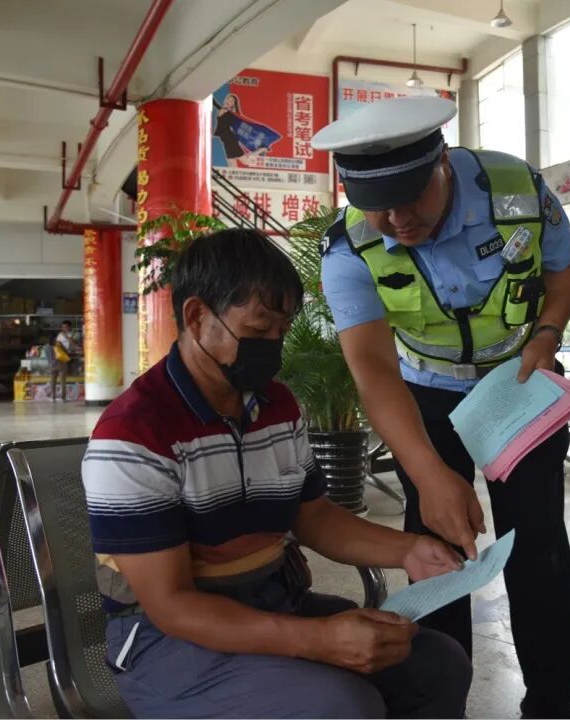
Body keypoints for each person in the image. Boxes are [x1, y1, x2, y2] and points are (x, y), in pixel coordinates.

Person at [82, 228, 472, 719]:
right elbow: (173, 605)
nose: (273, 346)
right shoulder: (134, 433)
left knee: (439, 664)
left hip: (274, 602)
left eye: (282, 331)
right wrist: (317, 639)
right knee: (340, 706)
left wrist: (409, 550)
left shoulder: (276, 405)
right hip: (166, 643)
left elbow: (313, 517)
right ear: (197, 316)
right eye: (259, 328)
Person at [313, 97, 570, 719]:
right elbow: (373, 369)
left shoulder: (514, 189)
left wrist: (547, 334)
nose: (397, 220)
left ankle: (551, 703)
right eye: (378, 206)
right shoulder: (349, 247)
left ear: (443, 161)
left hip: (519, 381)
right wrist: (430, 475)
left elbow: (564, 268)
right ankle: (441, 705)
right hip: (425, 395)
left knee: (538, 544)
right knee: (437, 554)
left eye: (411, 198)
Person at [50, 321, 73, 401]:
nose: (63, 328)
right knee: (53, 378)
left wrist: (65, 336)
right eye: (62, 327)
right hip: (57, 358)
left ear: (69, 327)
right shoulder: (59, 335)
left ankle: (63, 397)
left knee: (62, 379)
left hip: (63, 358)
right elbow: (56, 345)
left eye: (65, 327)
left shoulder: (72, 334)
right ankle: (53, 397)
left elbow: (72, 343)